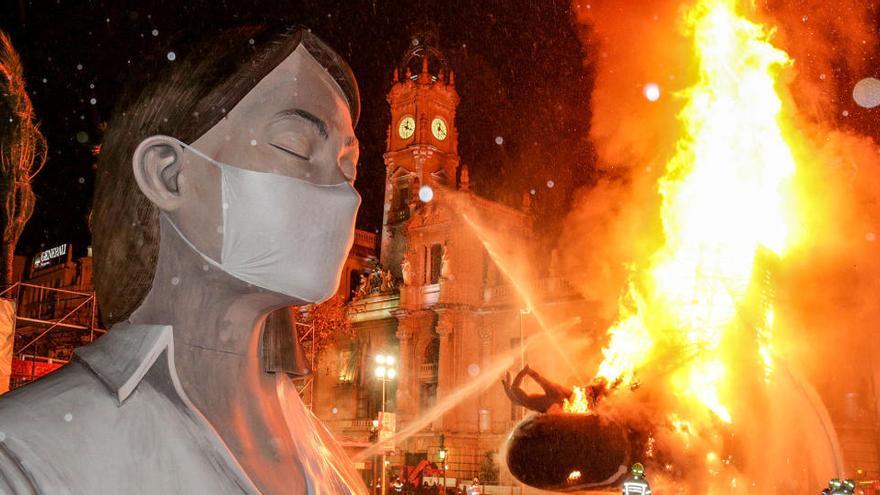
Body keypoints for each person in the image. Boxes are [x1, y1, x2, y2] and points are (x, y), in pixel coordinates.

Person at [0, 25, 365, 494]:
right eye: (296, 146)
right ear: (168, 174)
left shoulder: (329, 459)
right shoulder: (27, 458)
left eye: (349, 166)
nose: (343, 193)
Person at [502, 364, 573, 413]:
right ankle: (508, 387)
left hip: (541, 404)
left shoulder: (556, 394)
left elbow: (541, 380)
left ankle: (508, 387)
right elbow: (541, 380)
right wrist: (528, 371)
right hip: (541, 404)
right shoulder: (556, 393)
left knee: (517, 397)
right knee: (517, 398)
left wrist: (527, 372)